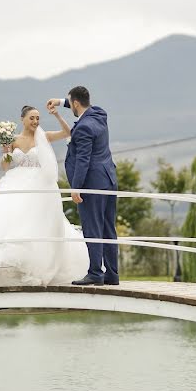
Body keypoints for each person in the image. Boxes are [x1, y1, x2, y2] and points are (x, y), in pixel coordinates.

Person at [0, 105, 88, 286]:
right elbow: (5, 167)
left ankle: (41, 266)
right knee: (12, 221)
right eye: (32, 118)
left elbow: (68, 132)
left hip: (39, 185)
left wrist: (58, 115)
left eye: (38, 118)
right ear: (22, 119)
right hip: (17, 181)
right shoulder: (13, 140)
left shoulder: (44, 136)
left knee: (38, 223)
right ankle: (14, 266)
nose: (35, 121)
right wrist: (5, 150)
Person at [47, 86, 119, 286]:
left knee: (92, 228)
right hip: (109, 180)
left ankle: (95, 273)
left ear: (76, 103)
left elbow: (83, 160)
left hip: (92, 184)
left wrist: (76, 187)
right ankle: (112, 274)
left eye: (71, 103)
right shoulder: (99, 114)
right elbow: (80, 104)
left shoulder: (84, 127)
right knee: (107, 228)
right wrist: (61, 102)